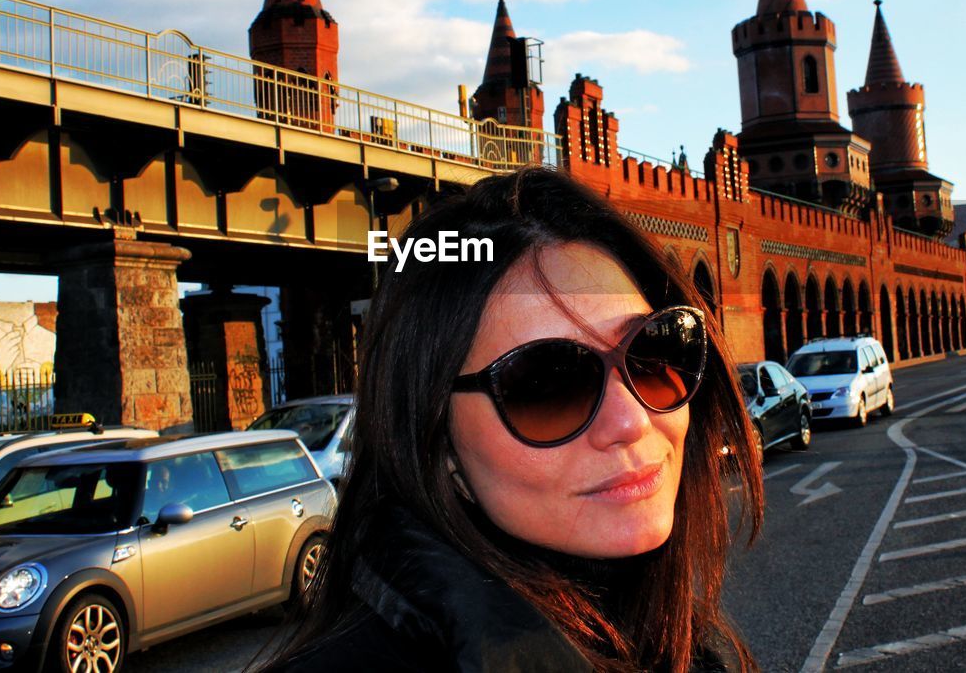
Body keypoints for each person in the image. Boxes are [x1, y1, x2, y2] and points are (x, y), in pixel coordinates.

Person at [258, 165, 764, 672]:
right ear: (441, 448)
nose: (631, 421)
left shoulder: (685, 646)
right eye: (546, 385)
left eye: (652, 354)